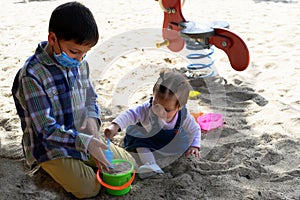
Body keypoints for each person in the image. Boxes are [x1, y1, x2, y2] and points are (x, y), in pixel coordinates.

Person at [11, 2, 135, 199]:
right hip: (49, 146)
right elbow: (45, 130)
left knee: (128, 164)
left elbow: (90, 100)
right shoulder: (32, 75)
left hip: (83, 135)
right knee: (90, 188)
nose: (79, 59)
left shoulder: (80, 63)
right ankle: (52, 167)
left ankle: (83, 159)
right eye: (74, 52)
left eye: (84, 53)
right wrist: (85, 143)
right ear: (53, 39)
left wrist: (93, 131)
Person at [105, 69, 201, 179]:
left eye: (167, 110)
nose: (160, 112)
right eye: (156, 104)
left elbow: (195, 129)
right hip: (148, 137)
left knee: (183, 143)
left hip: (169, 141)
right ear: (153, 96)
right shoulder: (146, 109)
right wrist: (115, 126)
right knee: (140, 142)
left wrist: (195, 145)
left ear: (179, 107)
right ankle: (150, 165)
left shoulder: (184, 115)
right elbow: (130, 114)